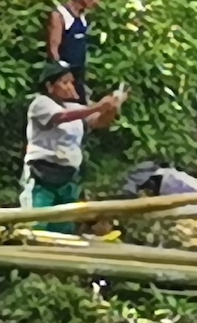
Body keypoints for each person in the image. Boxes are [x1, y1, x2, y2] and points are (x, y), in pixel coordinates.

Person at [23, 60, 123, 225]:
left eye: (71, 82)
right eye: (64, 82)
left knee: (64, 223)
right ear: (49, 85)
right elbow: (61, 117)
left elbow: (98, 122)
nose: (70, 86)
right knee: (37, 221)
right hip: (42, 172)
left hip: (68, 175)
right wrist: (98, 106)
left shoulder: (74, 107)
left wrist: (111, 107)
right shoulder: (41, 103)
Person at [46, 0, 110, 102]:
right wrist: (63, 74)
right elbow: (53, 50)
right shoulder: (59, 16)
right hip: (63, 80)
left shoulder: (82, 17)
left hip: (79, 76)